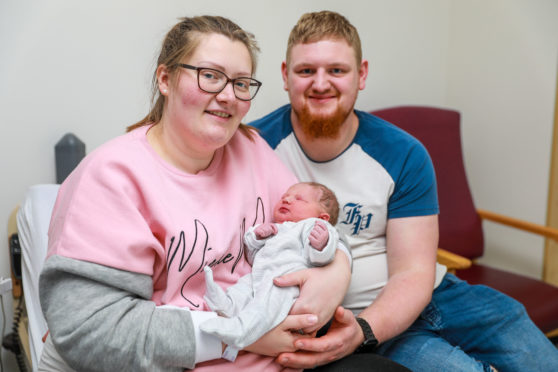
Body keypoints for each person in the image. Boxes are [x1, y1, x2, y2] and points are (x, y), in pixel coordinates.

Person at [37, 15, 356, 372]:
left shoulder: (250, 150)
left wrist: (339, 266)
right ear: (165, 79)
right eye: (210, 76)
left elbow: (313, 221)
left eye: (241, 82)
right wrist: (236, 335)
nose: (227, 96)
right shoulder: (111, 178)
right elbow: (89, 329)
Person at [251, 10, 558, 372]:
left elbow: (413, 271)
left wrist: (363, 332)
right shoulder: (255, 149)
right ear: (285, 75)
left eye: (337, 70)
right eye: (306, 71)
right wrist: (360, 332)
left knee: (534, 354)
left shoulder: (403, 152)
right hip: (355, 318)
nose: (321, 84)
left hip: (434, 293)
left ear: (361, 74)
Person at [201, 182, 340, 354]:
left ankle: (242, 331)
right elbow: (253, 257)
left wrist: (321, 244)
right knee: (242, 289)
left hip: (287, 282)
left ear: (322, 217)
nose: (287, 200)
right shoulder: (277, 228)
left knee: (264, 306)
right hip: (259, 274)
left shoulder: (315, 227)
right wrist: (258, 237)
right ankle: (227, 307)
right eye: (284, 197)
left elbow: (322, 258)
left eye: (298, 199)